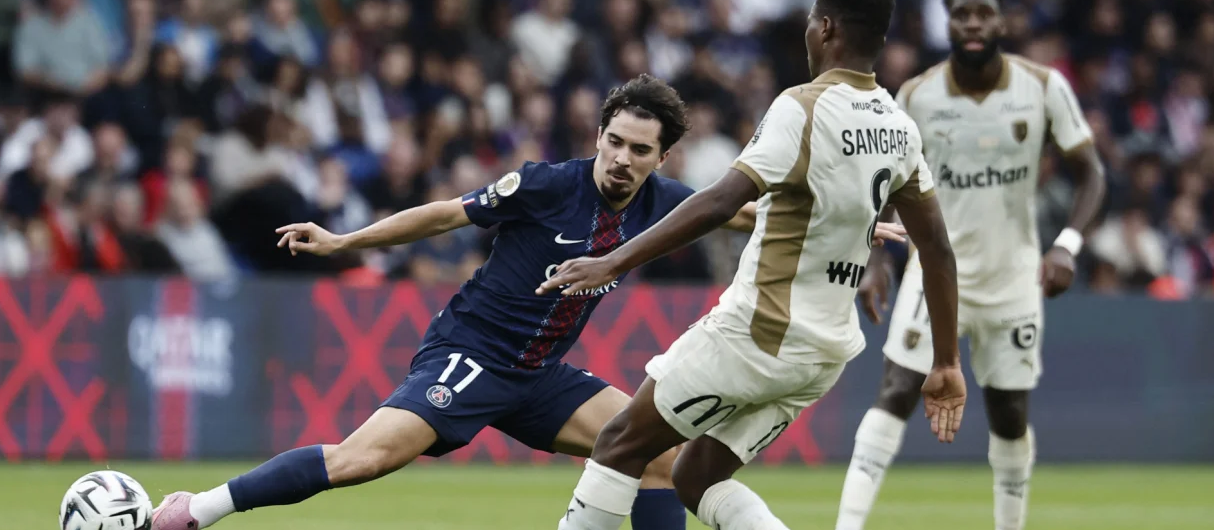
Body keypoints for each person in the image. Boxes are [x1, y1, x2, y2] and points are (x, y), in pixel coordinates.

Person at [150, 73, 909, 530]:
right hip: (470, 356)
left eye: (638, 150)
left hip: (542, 374)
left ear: (660, 157)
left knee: (655, 458)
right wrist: (346, 241)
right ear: (600, 134)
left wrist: (861, 222)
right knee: (362, 458)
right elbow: (448, 211)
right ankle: (200, 508)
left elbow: (745, 209)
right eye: (613, 141)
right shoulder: (546, 183)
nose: (620, 158)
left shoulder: (663, 202)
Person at [541, 0, 968, 530]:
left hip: (759, 333)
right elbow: (936, 248)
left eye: (813, 23)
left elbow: (722, 202)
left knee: (620, 442)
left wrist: (614, 260)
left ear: (826, 28)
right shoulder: (898, 126)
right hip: (823, 353)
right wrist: (945, 362)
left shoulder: (803, 107)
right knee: (696, 477)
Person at [834, 0, 1106, 530]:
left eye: (984, 13)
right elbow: (886, 182)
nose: (974, 23)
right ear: (949, 22)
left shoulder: (1042, 87)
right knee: (898, 388)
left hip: (1014, 278)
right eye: (962, 14)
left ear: (1002, 20)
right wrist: (878, 257)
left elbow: (1092, 172)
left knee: (1009, 414)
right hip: (934, 272)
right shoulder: (918, 95)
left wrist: (1068, 246)